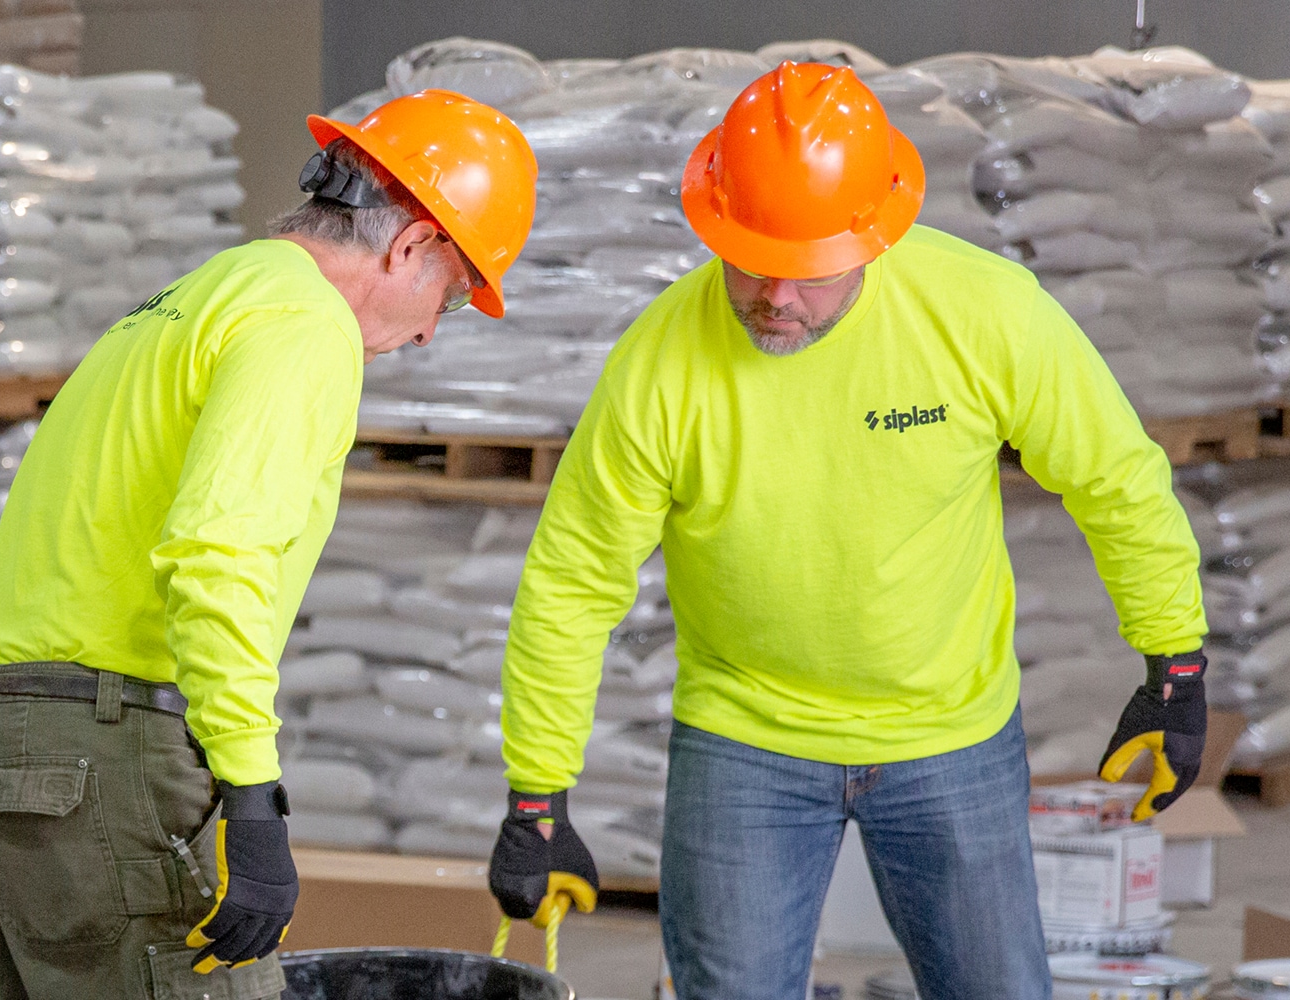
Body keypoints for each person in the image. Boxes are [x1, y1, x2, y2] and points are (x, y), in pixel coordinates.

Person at [487, 62, 1210, 1000]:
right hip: (744, 737)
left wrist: (1175, 662)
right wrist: (537, 791)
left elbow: (1116, 478)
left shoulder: (985, 315)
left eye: (811, 272)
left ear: (875, 237)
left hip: (949, 731)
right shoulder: (659, 365)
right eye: (752, 261)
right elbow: (574, 578)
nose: (777, 298)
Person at [0, 90, 538, 1000]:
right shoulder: (305, 328)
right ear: (411, 245)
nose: (422, 333)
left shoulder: (208, 293)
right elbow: (220, 551)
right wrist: (254, 797)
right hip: (98, 746)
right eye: (446, 300)